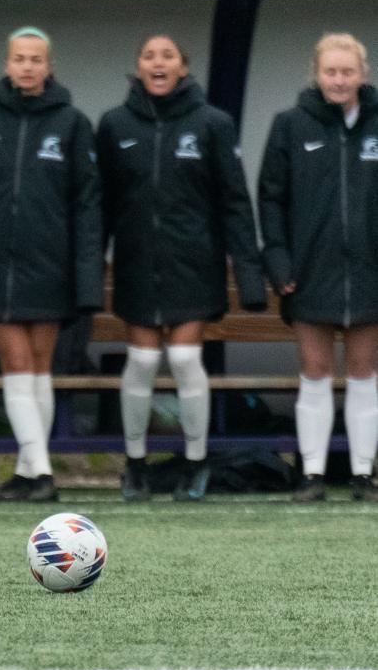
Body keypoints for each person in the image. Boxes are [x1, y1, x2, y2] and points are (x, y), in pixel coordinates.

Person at [97, 35, 264, 502]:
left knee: (187, 360)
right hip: (135, 265)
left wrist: (249, 275)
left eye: (167, 55)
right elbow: (101, 205)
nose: (158, 62)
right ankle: (134, 466)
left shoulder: (213, 123)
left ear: (183, 68)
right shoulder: (114, 124)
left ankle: (195, 463)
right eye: (149, 55)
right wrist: (90, 268)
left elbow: (235, 202)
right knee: (144, 361)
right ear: (138, 67)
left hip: (194, 264)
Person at [0, 27, 101, 502]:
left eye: (36, 59)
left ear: (49, 66)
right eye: (19, 58)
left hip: (50, 267)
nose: (27, 66)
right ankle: (41, 469)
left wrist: (85, 274)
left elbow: (87, 205)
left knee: (37, 369)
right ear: (6, 63)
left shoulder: (72, 122)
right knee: (15, 365)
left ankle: (31, 471)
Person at [259, 32, 378, 503]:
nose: (339, 80)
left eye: (347, 71)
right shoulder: (289, 125)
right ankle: (310, 475)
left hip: (370, 272)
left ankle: (363, 475)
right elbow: (270, 199)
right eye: (331, 71)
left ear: (362, 75)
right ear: (317, 74)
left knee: (366, 372)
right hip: (309, 271)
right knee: (314, 370)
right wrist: (279, 261)